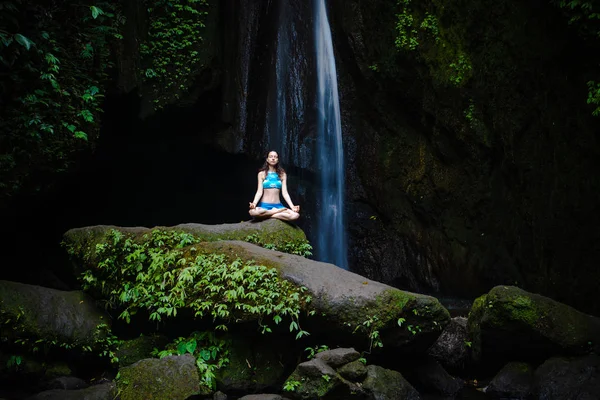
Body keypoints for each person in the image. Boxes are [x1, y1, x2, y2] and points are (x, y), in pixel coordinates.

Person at [249, 151, 300, 221]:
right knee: (252, 212)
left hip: (278, 206)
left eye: (275, 157)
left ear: (278, 160)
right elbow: (259, 192)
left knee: (295, 215)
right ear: (267, 159)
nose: (273, 159)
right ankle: (275, 212)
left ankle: (268, 215)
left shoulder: (282, 174)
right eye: (271, 157)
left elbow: (285, 193)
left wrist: (292, 206)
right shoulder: (261, 174)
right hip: (264, 206)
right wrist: (254, 203)